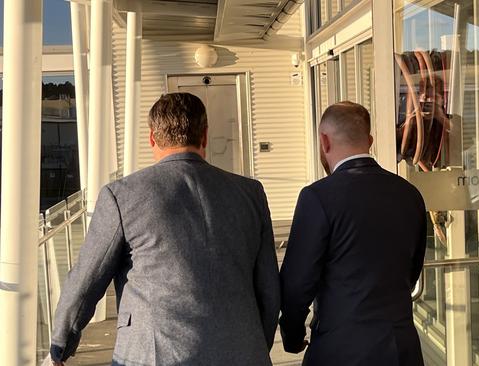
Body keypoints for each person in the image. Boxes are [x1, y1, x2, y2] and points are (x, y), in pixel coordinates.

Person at [49, 93, 280, 366]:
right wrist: (254, 344)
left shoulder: (122, 195)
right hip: (242, 351)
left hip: (154, 355)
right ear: (204, 136)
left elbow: (87, 280)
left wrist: (60, 346)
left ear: (151, 138)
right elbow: (269, 288)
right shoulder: (250, 193)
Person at [280, 101, 427, 366]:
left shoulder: (318, 197)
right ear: (369, 140)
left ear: (324, 141)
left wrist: (292, 336)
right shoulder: (409, 194)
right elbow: (412, 270)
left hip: (341, 349)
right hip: (401, 347)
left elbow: (297, 284)